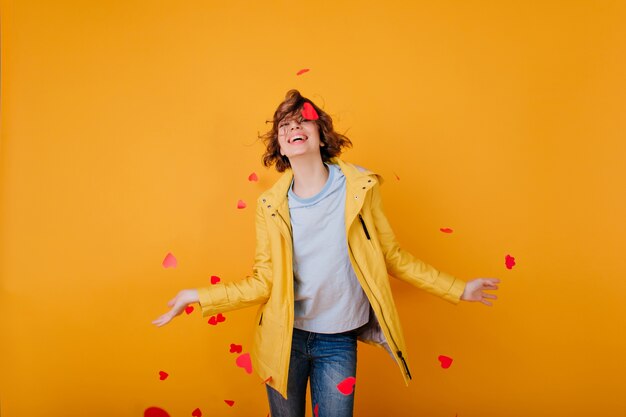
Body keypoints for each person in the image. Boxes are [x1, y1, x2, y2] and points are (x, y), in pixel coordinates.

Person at [152, 89, 499, 417]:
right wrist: (197, 295)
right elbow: (264, 282)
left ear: (321, 135)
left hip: (338, 340)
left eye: (302, 121)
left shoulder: (360, 188)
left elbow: (391, 256)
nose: (293, 129)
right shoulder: (269, 205)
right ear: (281, 149)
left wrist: (458, 289)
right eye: (284, 127)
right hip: (284, 338)